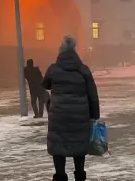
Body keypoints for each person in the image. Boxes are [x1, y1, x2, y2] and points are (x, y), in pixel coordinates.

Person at [42, 35, 100, 181]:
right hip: (80, 115)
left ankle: (60, 175)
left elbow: (45, 84)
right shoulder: (83, 70)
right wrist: (94, 116)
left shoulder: (53, 69)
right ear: (75, 50)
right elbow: (93, 95)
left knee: (58, 146)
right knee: (79, 145)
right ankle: (79, 174)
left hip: (59, 116)